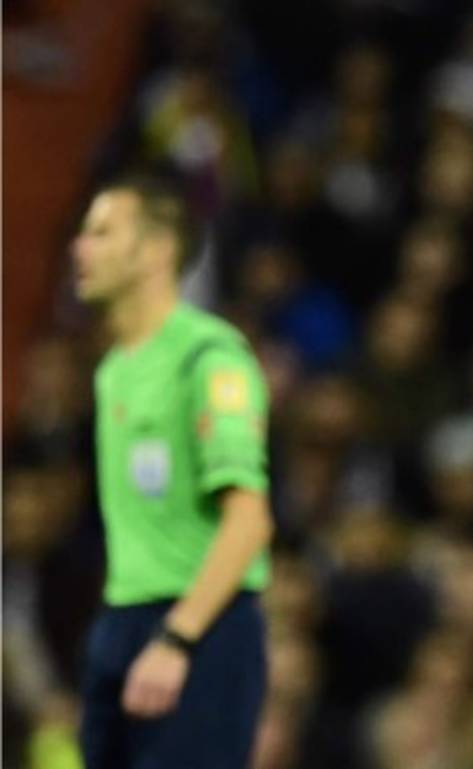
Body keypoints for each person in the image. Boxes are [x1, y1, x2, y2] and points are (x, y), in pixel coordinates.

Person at [73, 176, 273, 768]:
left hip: (200, 630)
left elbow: (250, 522)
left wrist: (176, 638)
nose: (80, 246)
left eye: (103, 231)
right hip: (121, 620)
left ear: (157, 250)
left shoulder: (207, 360)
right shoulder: (113, 370)